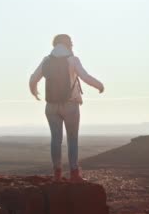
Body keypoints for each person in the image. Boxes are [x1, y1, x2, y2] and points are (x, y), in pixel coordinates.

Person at [29, 34, 104, 182]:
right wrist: (100, 86)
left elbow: (33, 78)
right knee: (72, 139)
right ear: (67, 44)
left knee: (55, 140)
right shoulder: (73, 60)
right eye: (71, 42)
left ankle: (57, 173)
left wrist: (34, 92)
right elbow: (85, 77)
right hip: (70, 105)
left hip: (51, 106)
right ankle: (74, 173)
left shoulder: (46, 61)